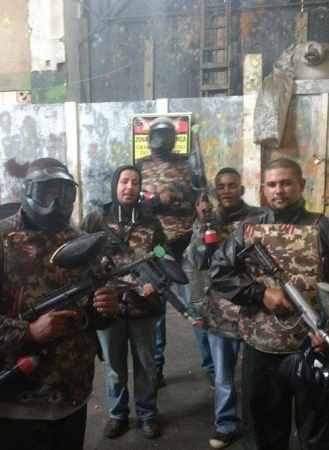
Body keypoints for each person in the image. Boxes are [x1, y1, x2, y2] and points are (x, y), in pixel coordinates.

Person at [0, 158, 120, 450]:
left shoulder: (81, 242)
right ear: (27, 191)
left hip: (72, 395)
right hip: (17, 398)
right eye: (46, 192)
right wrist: (26, 332)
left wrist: (106, 310)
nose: (55, 203)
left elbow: (90, 313)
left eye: (63, 194)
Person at [210, 158, 329, 449]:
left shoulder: (325, 228)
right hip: (262, 351)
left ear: (301, 185)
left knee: (322, 438)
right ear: (263, 189)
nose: (278, 190)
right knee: (263, 437)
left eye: (286, 183)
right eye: (272, 184)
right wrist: (260, 294)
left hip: (315, 348)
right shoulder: (247, 230)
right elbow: (219, 272)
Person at [80, 165, 166, 440]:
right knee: (114, 367)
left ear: (140, 188)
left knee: (146, 366)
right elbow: (79, 254)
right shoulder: (96, 220)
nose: (129, 187)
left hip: (143, 306)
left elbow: (162, 252)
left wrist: (157, 279)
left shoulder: (151, 222)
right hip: (107, 307)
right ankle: (118, 415)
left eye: (135, 182)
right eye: (124, 181)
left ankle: (147, 414)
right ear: (115, 185)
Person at [184, 167, 263, 449]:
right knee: (224, 376)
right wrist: (202, 223)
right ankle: (226, 424)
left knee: (256, 377)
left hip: (256, 308)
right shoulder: (209, 220)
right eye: (221, 186)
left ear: (242, 189)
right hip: (220, 311)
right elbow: (196, 261)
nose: (227, 190)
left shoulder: (259, 218)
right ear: (215, 192)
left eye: (232, 185)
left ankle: (256, 426)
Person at [135, 116, 213, 387]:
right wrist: (159, 199)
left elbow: (202, 197)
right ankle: (155, 368)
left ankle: (211, 366)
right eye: (157, 135)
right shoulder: (139, 167)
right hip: (157, 249)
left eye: (166, 135)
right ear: (149, 139)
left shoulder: (189, 165)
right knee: (156, 310)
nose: (161, 140)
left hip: (186, 244)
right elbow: (132, 205)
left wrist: (189, 198)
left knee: (196, 306)